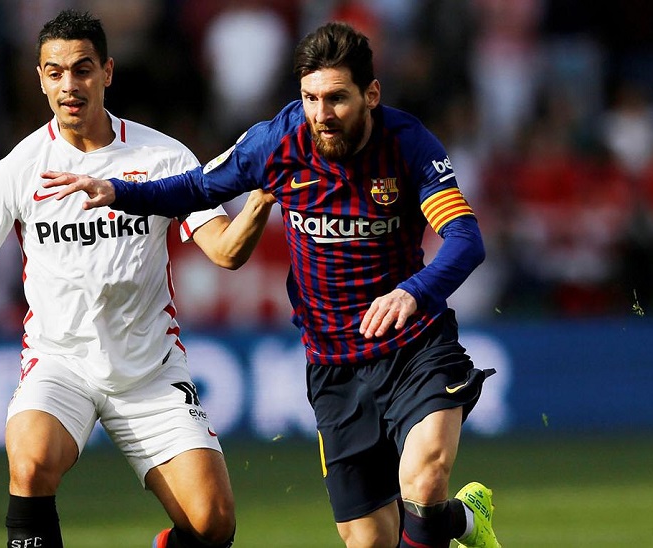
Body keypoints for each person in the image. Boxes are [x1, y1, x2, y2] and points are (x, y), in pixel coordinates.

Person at [43, 21, 501, 548]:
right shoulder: (278, 142)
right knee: (371, 540)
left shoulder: (408, 145)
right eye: (310, 98)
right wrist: (118, 190)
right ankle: (465, 519)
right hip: (335, 364)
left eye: (336, 98)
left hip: (414, 346)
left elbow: (466, 239)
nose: (321, 114)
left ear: (371, 94)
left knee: (423, 479)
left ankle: (438, 512)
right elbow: (196, 187)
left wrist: (412, 292)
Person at [0, 10, 275, 548]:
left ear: (107, 72)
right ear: (39, 79)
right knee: (30, 461)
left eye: (81, 69)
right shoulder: (19, 168)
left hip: (148, 372)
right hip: (61, 364)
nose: (69, 85)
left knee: (213, 524)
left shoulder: (162, 157)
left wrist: (262, 197)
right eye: (55, 72)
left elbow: (225, 251)